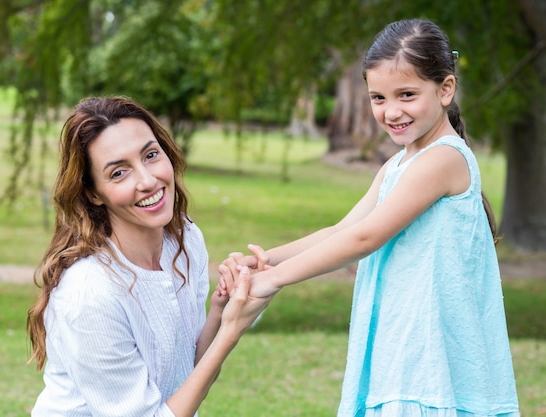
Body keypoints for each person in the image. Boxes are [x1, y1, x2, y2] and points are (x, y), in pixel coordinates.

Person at [220, 18, 520, 417]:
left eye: (407, 95)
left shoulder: (444, 158)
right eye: (378, 98)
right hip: (400, 348)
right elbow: (344, 229)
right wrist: (265, 259)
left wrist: (274, 280)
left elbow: (366, 238)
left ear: (446, 89)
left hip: (427, 359)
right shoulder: (400, 162)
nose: (391, 111)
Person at [26, 96, 270, 417]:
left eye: (151, 155)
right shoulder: (89, 293)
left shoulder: (185, 239)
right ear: (93, 193)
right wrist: (230, 331)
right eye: (118, 173)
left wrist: (221, 311)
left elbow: (188, 372)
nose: (147, 180)